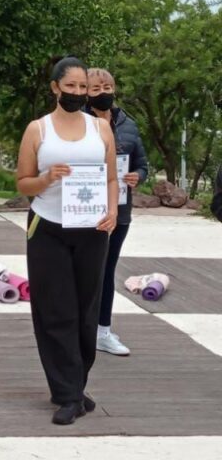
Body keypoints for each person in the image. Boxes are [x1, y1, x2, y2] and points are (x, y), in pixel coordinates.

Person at [16, 56, 118, 426]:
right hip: (48, 227)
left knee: (86, 310)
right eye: (70, 86)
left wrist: (113, 212)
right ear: (55, 87)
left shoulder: (100, 129)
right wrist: (46, 179)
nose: (76, 93)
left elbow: (110, 178)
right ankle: (67, 394)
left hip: (92, 229)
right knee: (55, 310)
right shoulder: (37, 130)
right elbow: (23, 182)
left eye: (82, 87)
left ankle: (76, 382)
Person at [86, 68, 148, 357]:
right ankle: (78, 330)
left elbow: (143, 164)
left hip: (120, 211)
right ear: (85, 92)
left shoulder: (129, 125)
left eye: (107, 86)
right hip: (84, 210)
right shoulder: (77, 123)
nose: (103, 93)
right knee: (84, 271)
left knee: (107, 270)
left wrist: (138, 175)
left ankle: (102, 331)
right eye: (96, 88)